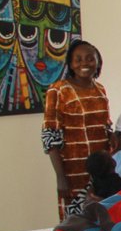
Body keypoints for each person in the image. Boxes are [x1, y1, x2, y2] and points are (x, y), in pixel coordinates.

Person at [42, 39, 112, 218]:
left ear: (97, 62)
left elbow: (105, 125)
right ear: (71, 64)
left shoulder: (100, 90)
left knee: (102, 222)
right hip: (73, 172)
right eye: (78, 59)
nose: (84, 63)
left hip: (101, 171)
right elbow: (51, 136)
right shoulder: (58, 90)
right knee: (75, 227)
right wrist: (60, 177)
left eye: (90, 58)